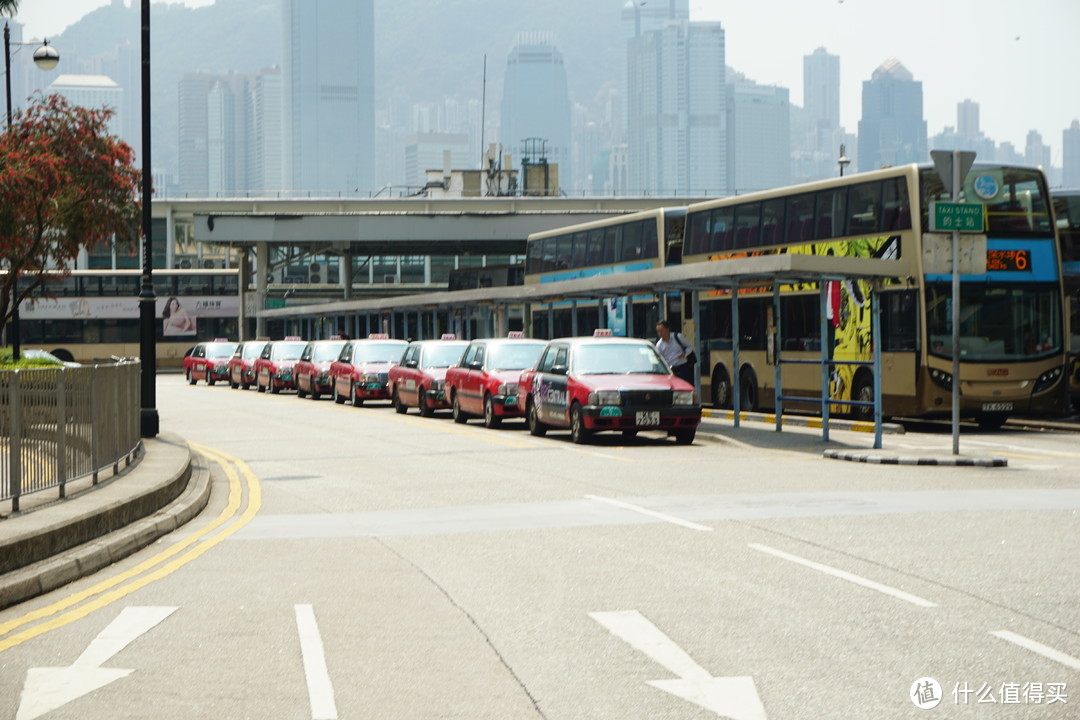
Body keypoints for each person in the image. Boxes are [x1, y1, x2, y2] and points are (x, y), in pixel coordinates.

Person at [655, 320, 695, 384]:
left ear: (667, 329)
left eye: (662, 331)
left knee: (684, 386)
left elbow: (689, 346)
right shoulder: (659, 345)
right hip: (670, 370)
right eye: (658, 331)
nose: (660, 333)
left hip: (682, 368)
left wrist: (685, 354)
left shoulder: (678, 337)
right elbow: (659, 359)